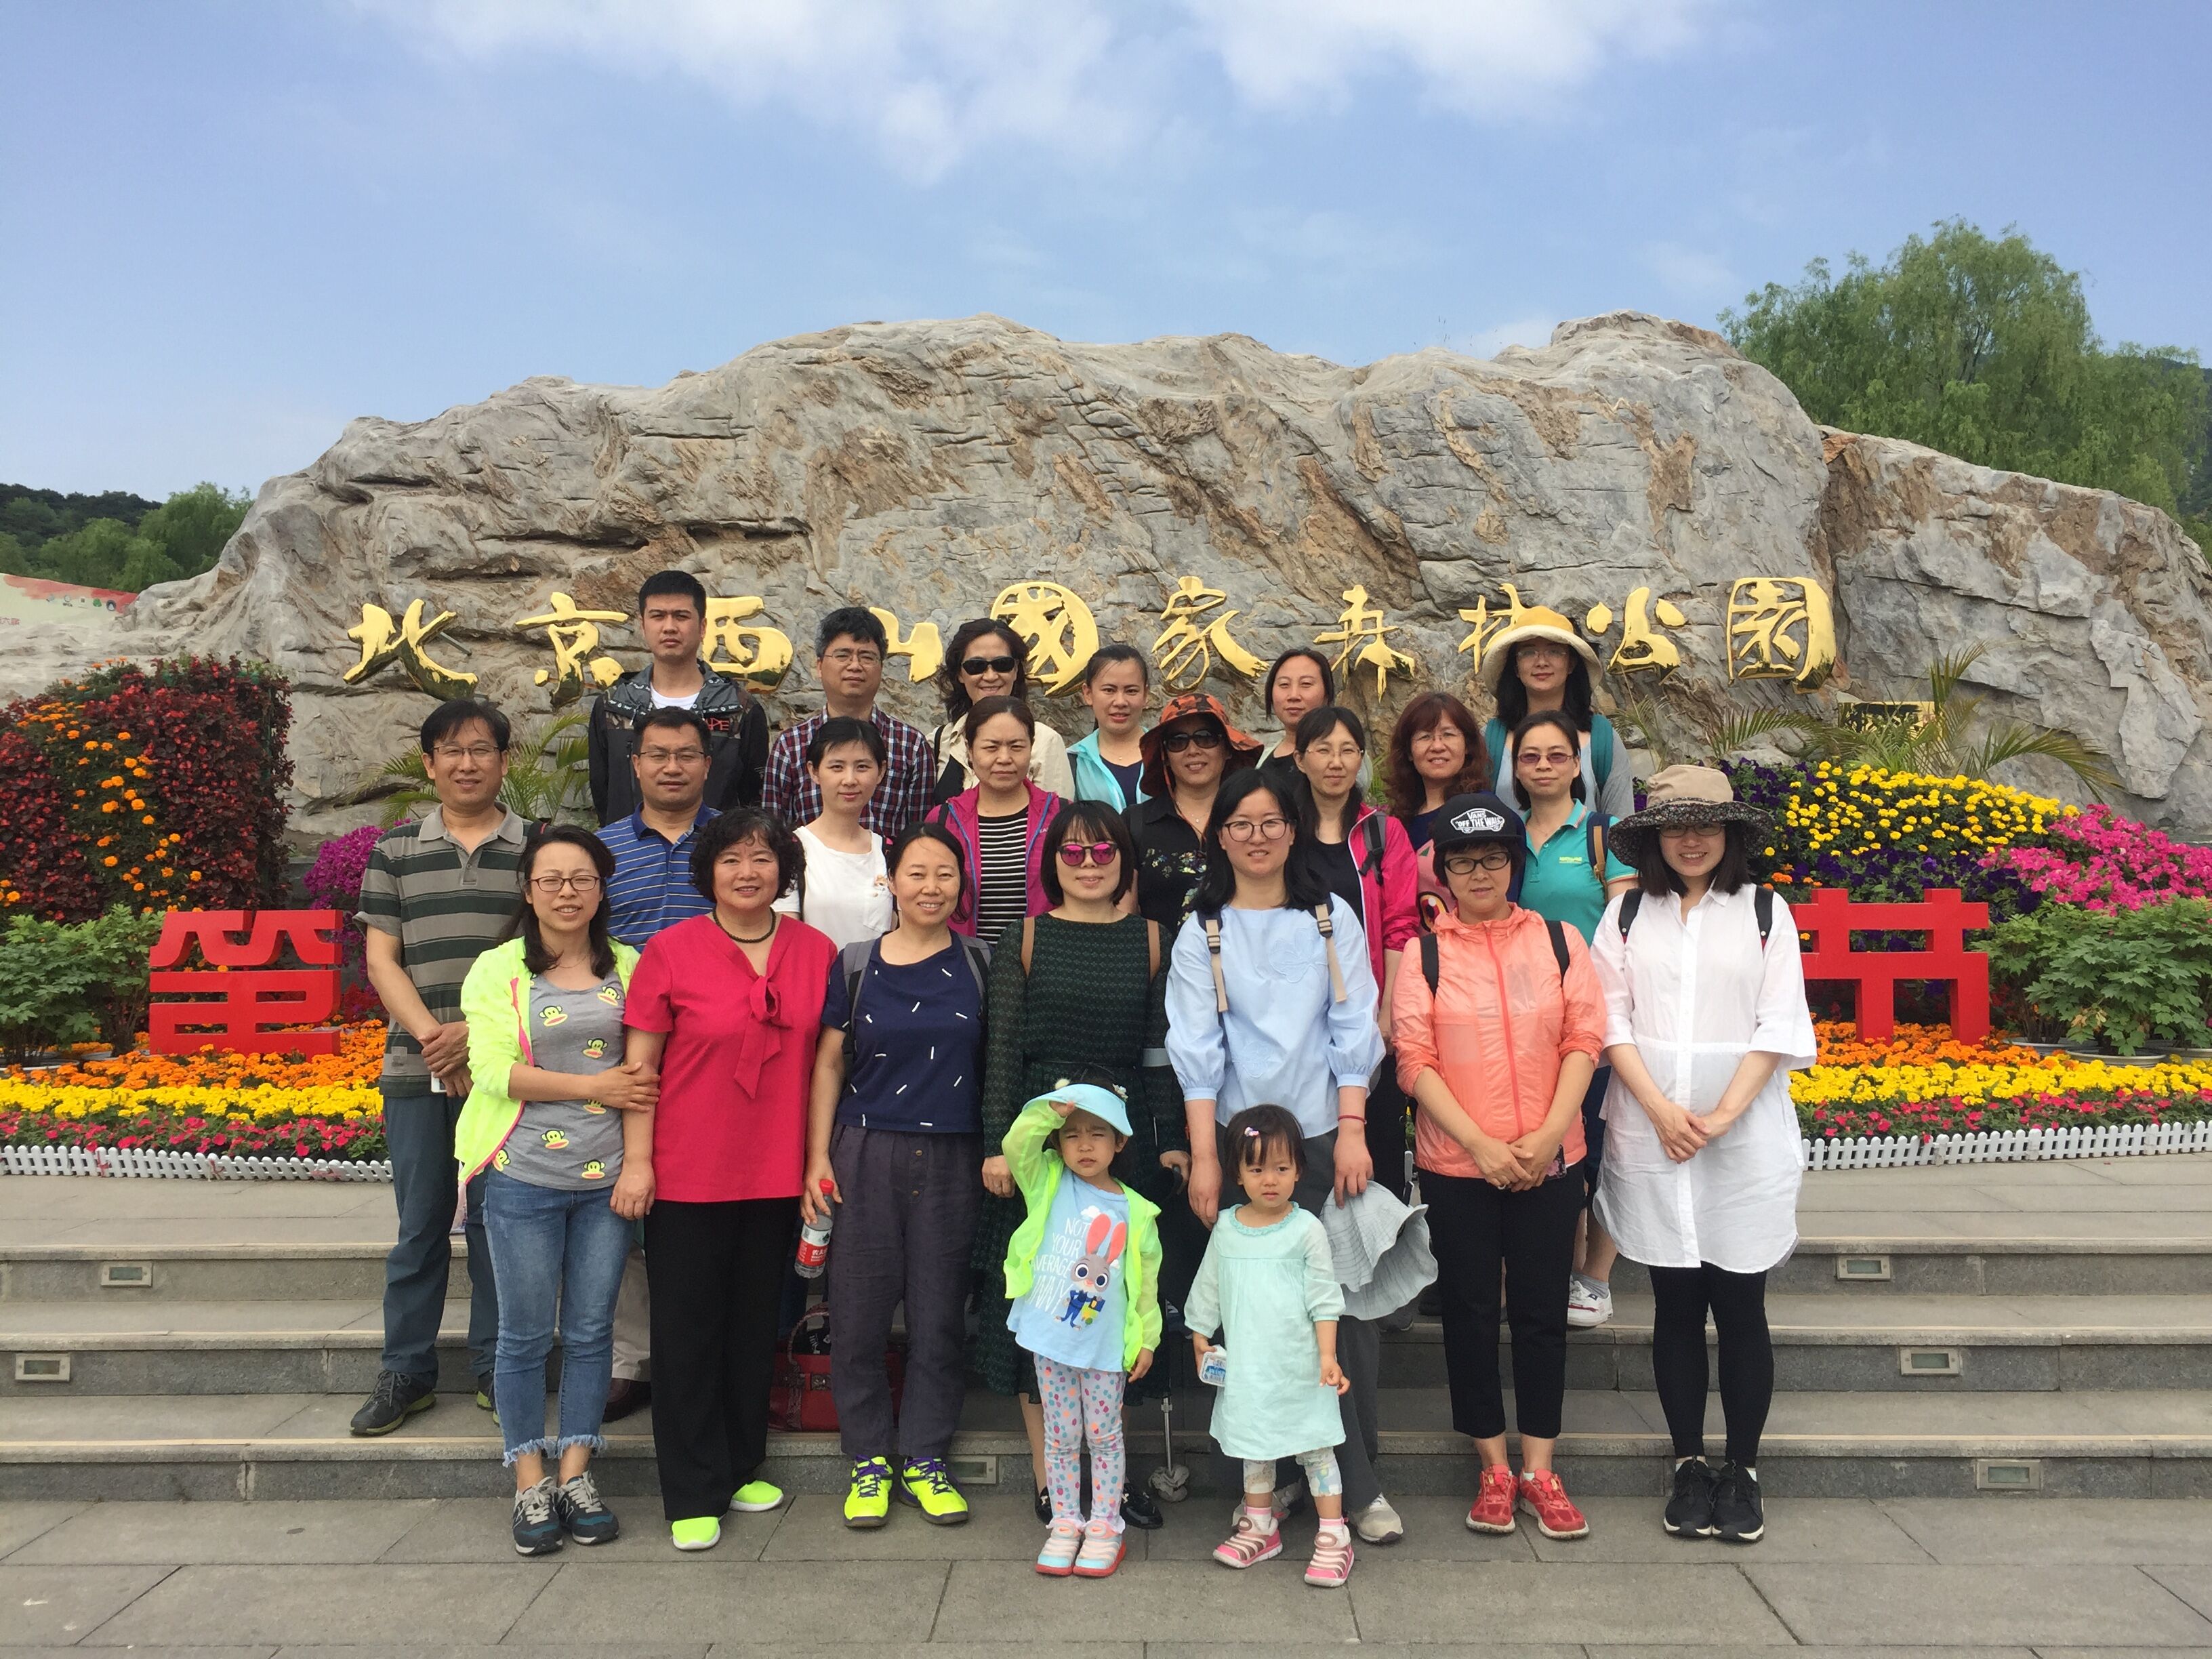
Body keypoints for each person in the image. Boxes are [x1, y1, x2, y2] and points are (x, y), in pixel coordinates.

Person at [1164, 769, 1400, 1548]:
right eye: (1241, 824)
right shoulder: (1202, 931)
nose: (1257, 837)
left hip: (1326, 1136)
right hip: (1243, 1146)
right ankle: (1266, 1480)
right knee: (1252, 1312)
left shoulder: (1328, 917)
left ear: (1294, 831)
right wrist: (1207, 1157)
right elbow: (1197, 1050)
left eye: (1271, 822)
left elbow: (1353, 1026)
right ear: (1220, 837)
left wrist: (1354, 1128)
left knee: (1344, 1311)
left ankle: (1358, 1485)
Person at [1591, 766, 1816, 1547]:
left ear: (1731, 834)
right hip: (1651, 1131)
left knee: (1742, 1305)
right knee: (1676, 1306)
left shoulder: (1765, 912)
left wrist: (1720, 1116)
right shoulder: (1626, 916)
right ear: (1654, 838)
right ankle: (1688, 1462)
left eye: (1706, 824)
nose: (1691, 839)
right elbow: (1608, 1021)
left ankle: (1742, 1469)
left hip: (1742, 1138)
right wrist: (1661, 1110)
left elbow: (1778, 1023)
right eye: (1675, 826)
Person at [621, 808, 839, 1551]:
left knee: (753, 1327)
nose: (749, 872)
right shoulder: (670, 950)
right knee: (687, 1334)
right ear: (707, 872)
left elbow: (825, 1067)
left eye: (763, 859)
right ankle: (691, 1489)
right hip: (689, 1171)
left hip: (775, 1170)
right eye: (732, 860)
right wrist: (640, 1161)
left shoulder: (815, 952)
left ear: (785, 871)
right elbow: (640, 1072)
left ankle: (742, 1463)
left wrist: (815, 1159)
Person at [1392, 792, 1605, 1543]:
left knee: (1543, 1313)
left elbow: (1584, 1039)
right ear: (1444, 873)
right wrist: (1480, 1145)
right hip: (1458, 1164)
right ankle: (1491, 1466)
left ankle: (1541, 1469)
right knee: (1472, 1313)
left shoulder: (1560, 943)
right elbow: (1412, 1060)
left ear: (1515, 865)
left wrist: (1548, 1137)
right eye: (1462, 862)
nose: (1478, 873)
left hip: (1551, 1158)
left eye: (1492, 859)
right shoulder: (1425, 956)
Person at [976, 800, 1181, 1531]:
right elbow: (1003, 1045)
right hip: (1042, 1143)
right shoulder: (1026, 935)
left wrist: (1170, 1137)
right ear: (1052, 862)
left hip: (1121, 1139)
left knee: (1114, 1307)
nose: (1088, 865)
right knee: (1042, 1311)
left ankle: (1111, 1481)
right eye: (1073, 853)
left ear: (1125, 860)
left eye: (1103, 853)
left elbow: (1159, 1049)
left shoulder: (1151, 939)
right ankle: (1050, 1482)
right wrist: (998, 1144)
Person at [453, 827, 654, 1555]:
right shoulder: (498, 968)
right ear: (529, 890)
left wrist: (637, 1164)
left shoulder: (631, 966)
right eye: (551, 880)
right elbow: (492, 1070)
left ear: (602, 889)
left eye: (582, 879)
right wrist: (594, 1086)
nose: (567, 892)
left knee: (594, 1331)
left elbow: (643, 1079)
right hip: (523, 1177)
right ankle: (529, 1480)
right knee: (525, 1335)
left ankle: (576, 1473)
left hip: (606, 1184)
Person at [806, 821, 994, 1530]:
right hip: (865, 1150)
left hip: (953, 1156)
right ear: (891, 881)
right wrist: (818, 1156)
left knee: (939, 1316)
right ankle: (868, 1459)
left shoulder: (981, 961)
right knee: (857, 1315)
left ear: (961, 884)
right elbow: (830, 1062)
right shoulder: (856, 963)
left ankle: (925, 1457)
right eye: (917, 873)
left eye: (945, 874)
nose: (930, 887)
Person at [348, 699, 520, 1437]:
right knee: (419, 1225)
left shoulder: (536, 848)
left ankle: (497, 1365)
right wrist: (432, 1038)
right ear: (428, 764)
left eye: (481, 750)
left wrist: (475, 1040)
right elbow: (381, 959)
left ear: (504, 761)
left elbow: (544, 961)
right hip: (415, 1068)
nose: (466, 764)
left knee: (497, 1225)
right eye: (451, 751)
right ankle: (406, 1371)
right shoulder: (395, 850)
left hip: (505, 1072)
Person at [597, 705, 720, 1423]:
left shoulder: (736, 844)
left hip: (716, 1053)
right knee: (623, 1198)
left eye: (686, 754)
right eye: (658, 755)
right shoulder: (604, 851)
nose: (672, 767)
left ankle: (703, 1355)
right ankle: (629, 1360)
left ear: (708, 764)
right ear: (635, 765)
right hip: (622, 1052)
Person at [1185, 1104, 1355, 1588]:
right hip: (1249, 1366)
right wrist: (1200, 1336)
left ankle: (1334, 1533)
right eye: (1257, 1169)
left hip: (1302, 1367)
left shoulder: (1306, 1230)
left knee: (1316, 1447)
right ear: (1237, 1173)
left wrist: (1328, 1356)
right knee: (1254, 1447)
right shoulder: (1226, 1229)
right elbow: (1209, 1288)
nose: (1270, 1180)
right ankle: (1260, 1525)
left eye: (1282, 1168)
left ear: (1299, 1170)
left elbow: (1325, 1299)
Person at [1507, 712, 1638, 1331]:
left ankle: (1596, 1278)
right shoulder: (1505, 838)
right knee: (1555, 1150)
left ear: (1577, 765)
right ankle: (1559, 1268)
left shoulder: (1601, 836)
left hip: (1596, 1025)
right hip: (1524, 1028)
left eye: (1556, 756)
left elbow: (1626, 932)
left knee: (1603, 1152)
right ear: (1515, 767)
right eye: (1530, 757)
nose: (1543, 767)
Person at [1002, 1084, 1163, 1579]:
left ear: (1119, 1143)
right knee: (1060, 1435)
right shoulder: (1048, 1181)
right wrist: (1048, 1115)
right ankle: (1066, 1522)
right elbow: (1017, 1146)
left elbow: (1146, 1286)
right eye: (1072, 1136)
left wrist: (1147, 1339)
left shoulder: (1137, 1211)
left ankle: (1105, 1526)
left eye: (1098, 1134)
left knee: (1104, 1435)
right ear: (1059, 1143)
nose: (1085, 1145)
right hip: (1050, 1341)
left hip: (1104, 1348)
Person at [1288, 705, 1418, 1199]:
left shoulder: (1382, 833)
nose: (1336, 762)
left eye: (1348, 750)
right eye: (1323, 750)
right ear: (1300, 759)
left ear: (1361, 758)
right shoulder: (1282, 833)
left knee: (1376, 1151)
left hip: (1366, 1019)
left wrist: (1386, 1014)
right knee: (1301, 1154)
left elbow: (1400, 927)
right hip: (1298, 1019)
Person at [588, 570, 768, 824]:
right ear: (643, 626)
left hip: (715, 846)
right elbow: (603, 794)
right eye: (658, 616)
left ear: (702, 627)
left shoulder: (738, 708)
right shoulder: (614, 706)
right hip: (629, 847)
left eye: (681, 616)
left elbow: (754, 800)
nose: (669, 627)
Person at [760, 607, 934, 839]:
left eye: (867, 657)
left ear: (881, 667)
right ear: (819, 666)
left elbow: (920, 836)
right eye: (843, 655)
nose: (855, 666)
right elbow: (774, 836)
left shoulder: (911, 745)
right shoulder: (790, 745)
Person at [927, 696, 1063, 949]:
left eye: (1016, 747)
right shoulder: (944, 820)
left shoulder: (1060, 816)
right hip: (966, 963)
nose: (1004, 758)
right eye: (991, 747)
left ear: (1031, 747)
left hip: (1044, 962)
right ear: (970, 751)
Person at [1478, 605, 1634, 819]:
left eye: (1554, 651)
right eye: (1528, 652)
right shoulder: (1491, 739)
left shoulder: (1602, 739)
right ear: (1515, 667)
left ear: (1571, 664)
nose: (1541, 662)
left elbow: (1621, 823)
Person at [1128, 692, 1261, 932]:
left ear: (1227, 748)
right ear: (1165, 756)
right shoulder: (1135, 823)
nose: (1192, 750)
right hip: (1162, 956)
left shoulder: (1255, 819)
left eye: (1205, 738)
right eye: (1178, 741)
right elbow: (1124, 914)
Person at [773, 716, 895, 949]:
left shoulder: (888, 853)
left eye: (862, 767)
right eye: (837, 767)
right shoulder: (791, 850)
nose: (850, 780)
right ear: (814, 771)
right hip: (814, 972)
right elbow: (785, 940)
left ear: (881, 772)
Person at [927, 617, 1075, 802]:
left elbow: (1056, 816)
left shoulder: (1045, 741)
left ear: (1016, 670)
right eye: (976, 666)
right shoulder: (939, 741)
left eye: (1002, 664)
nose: (990, 676)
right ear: (960, 674)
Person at [1067, 644, 1150, 811]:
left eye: (1131, 691)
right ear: (1088, 694)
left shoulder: (1166, 753)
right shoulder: (1074, 761)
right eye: (1109, 690)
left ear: (1145, 694)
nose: (1120, 702)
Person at [1256, 647, 1335, 780]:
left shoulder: (1345, 754)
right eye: (1284, 684)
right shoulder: (1261, 760)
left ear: (1326, 695)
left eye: (1306, 684)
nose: (1293, 696)